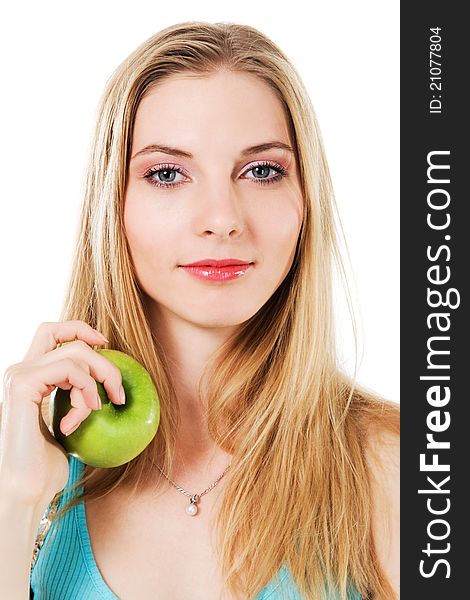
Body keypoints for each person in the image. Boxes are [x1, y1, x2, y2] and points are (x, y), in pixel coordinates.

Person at [0, 21, 399, 600]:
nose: (221, 216)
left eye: (262, 171)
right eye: (167, 173)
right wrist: (14, 501)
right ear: (115, 207)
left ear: (305, 202)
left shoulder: (398, 468)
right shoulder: (34, 466)